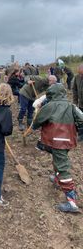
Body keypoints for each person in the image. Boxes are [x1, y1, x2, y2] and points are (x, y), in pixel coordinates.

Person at [32, 83, 83, 213]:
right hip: (68, 140)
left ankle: (71, 202)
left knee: (62, 166)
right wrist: (75, 128)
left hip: (55, 140)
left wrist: (37, 112)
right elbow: (81, 119)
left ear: (51, 94)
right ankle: (57, 178)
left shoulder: (49, 106)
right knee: (58, 158)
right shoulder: (71, 106)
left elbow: (37, 122)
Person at [72, 64, 83, 142]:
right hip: (81, 103)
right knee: (80, 119)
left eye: (81, 73)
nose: (80, 74)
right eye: (79, 73)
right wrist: (75, 101)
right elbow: (74, 89)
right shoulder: (77, 77)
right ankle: (81, 135)